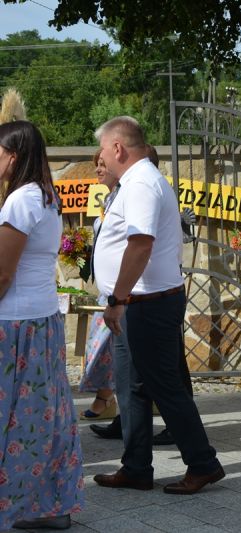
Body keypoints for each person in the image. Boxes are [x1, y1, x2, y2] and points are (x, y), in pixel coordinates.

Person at [92, 116, 224, 494]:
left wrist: (118, 299)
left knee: (164, 387)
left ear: (118, 148)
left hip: (145, 303)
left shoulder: (141, 184)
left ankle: (203, 463)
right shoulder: (136, 181)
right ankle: (136, 467)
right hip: (137, 302)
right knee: (131, 388)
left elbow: (140, 244)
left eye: (103, 149)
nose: (101, 156)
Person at [0, 120, 84, 530]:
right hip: (41, 318)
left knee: (15, 415)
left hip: (15, 323)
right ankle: (49, 505)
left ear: (13, 157)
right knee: (45, 414)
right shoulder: (47, 196)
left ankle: (18, 505)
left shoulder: (20, 201)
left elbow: (2, 273)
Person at [79, 149, 117, 421]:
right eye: (97, 165)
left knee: (106, 348)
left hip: (120, 293)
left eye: (103, 164)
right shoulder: (108, 201)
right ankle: (107, 399)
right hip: (106, 292)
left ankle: (107, 400)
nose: (98, 169)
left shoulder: (127, 197)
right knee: (101, 348)